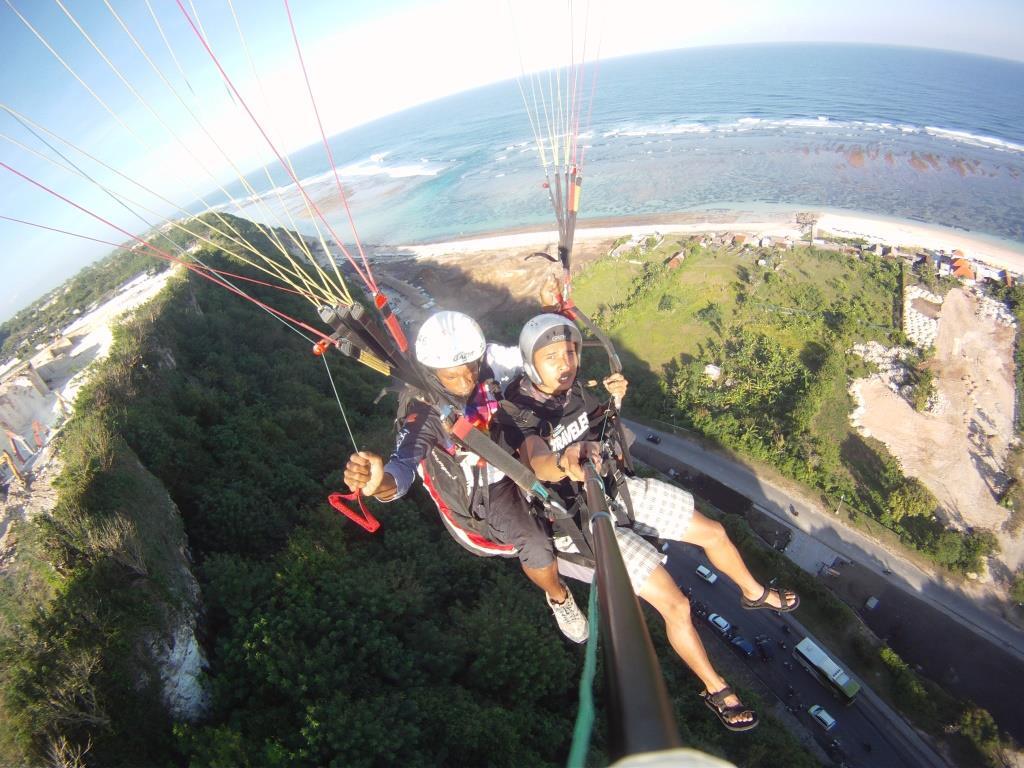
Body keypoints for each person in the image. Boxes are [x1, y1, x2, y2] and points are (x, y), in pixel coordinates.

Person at [492, 313, 801, 731]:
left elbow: (598, 423)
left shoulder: (573, 389)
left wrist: (614, 400)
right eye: (552, 357)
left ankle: (753, 592)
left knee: (714, 533)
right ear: (530, 363)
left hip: (613, 490)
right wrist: (563, 463)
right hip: (577, 522)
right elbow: (537, 459)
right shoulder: (517, 411)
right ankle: (715, 689)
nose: (565, 363)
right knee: (676, 604)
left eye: (570, 352)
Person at [343, 307, 590, 644]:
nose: (465, 381)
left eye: (469, 370)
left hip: (517, 449)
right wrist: (380, 483)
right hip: (485, 495)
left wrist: (555, 316)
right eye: (452, 376)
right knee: (537, 545)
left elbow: (533, 354)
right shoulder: (423, 411)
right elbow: (403, 464)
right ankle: (559, 598)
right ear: (434, 373)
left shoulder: (487, 361)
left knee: (573, 468)